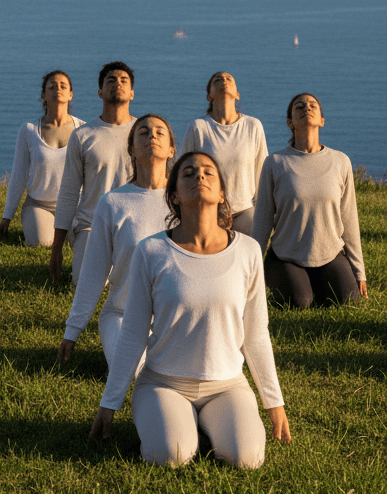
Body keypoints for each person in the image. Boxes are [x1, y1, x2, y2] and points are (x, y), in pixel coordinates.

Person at [89, 151, 291, 468]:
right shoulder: (151, 251)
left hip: (227, 385)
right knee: (171, 456)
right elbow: (133, 334)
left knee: (248, 459)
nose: (199, 176)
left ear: (222, 193)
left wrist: (273, 402)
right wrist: (109, 402)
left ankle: (207, 425)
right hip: (162, 383)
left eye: (209, 172)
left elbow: (256, 335)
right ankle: (177, 424)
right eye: (188, 173)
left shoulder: (248, 251)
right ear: (174, 196)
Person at [58, 114, 176, 368]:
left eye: (159, 132)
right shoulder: (112, 203)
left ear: (171, 149)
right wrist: (72, 331)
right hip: (123, 315)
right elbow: (93, 273)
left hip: (174, 317)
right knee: (135, 371)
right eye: (143, 132)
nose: (151, 136)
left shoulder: (185, 203)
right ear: (131, 149)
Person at [252, 92, 367, 308]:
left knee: (346, 300)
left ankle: (318, 283)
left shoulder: (340, 162)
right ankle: (296, 283)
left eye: (313, 105)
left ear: (322, 120)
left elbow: (350, 221)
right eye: (300, 107)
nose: (307, 108)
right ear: (290, 122)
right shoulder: (275, 163)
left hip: (329, 254)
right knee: (299, 302)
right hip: (286, 256)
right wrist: (252, 270)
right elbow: (262, 222)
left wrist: (359, 272)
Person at [50, 62, 137, 286]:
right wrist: (56, 249)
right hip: (92, 225)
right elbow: (69, 192)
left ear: (132, 94)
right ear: (100, 92)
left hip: (135, 225)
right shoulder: (83, 135)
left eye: (123, 81)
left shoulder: (144, 134)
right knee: (88, 283)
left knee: (135, 282)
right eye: (111, 80)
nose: (117, 83)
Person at [0, 70, 84, 246]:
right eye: (52, 86)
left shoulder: (84, 130)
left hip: (75, 207)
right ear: (44, 95)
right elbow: (18, 176)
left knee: (84, 242)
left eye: (63, 86)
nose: (57, 89)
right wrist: (7, 216)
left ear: (70, 94)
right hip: (39, 205)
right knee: (42, 243)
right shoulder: (29, 130)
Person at [178, 71, 268, 234]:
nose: (224, 80)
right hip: (208, 209)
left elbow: (262, 173)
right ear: (209, 96)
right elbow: (182, 172)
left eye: (229, 79)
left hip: (244, 209)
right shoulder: (198, 128)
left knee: (256, 250)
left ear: (237, 94)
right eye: (217, 80)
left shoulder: (253, 126)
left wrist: (262, 210)